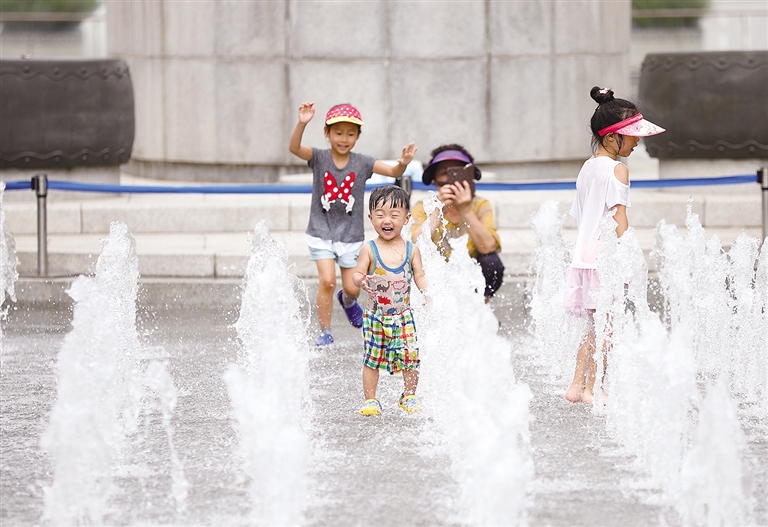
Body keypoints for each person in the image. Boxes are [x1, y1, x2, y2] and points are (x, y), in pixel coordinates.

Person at [564, 86, 665, 404]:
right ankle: (598, 389)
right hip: (605, 256)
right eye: (632, 135)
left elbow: (582, 215)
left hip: (584, 255)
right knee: (607, 327)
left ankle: (577, 386)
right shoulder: (618, 169)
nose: (637, 141)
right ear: (611, 138)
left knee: (594, 327)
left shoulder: (587, 168)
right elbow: (618, 219)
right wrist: (627, 257)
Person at [289, 102, 418, 346]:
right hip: (320, 231)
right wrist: (302, 123)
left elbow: (392, 170)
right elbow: (294, 148)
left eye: (351, 134)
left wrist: (403, 162)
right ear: (327, 133)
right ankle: (325, 331)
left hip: (350, 235)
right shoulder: (319, 157)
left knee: (353, 288)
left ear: (358, 137)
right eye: (338, 133)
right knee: (327, 280)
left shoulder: (362, 163)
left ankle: (347, 302)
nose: (344, 139)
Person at [352, 185, 427, 416]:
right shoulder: (369, 249)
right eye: (380, 214)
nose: (387, 220)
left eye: (395, 215)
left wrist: (426, 291)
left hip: (403, 315)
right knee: (372, 358)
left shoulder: (411, 249)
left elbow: (419, 274)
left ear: (406, 219)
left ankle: (409, 396)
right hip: (376, 315)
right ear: (370, 217)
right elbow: (356, 273)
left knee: (410, 356)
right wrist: (361, 281)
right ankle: (371, 400)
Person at [410, 144, 504, 301]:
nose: (451, 178)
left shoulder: (480, 205)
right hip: (436, 276)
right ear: (434, 181)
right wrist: (437, 210)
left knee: (492, 264)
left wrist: (465, 210)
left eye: (457, 172)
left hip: (470, 275)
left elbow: (488, 247)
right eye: (444, 173)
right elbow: (415, 245)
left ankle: (479, 311)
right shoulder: (423, 207)